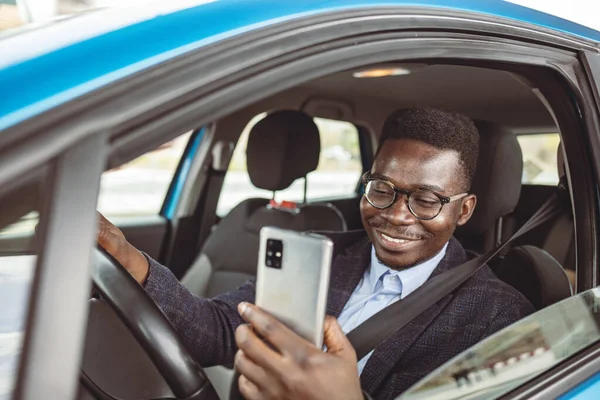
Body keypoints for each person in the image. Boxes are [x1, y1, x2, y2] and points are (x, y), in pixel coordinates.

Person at [97, 107, 534, 400]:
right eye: (382, 189)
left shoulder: (499, 317)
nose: (398, 215)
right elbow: (218, 330)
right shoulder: (323, 255)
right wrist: (125, 255)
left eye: (427, 200)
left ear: (464, 210)